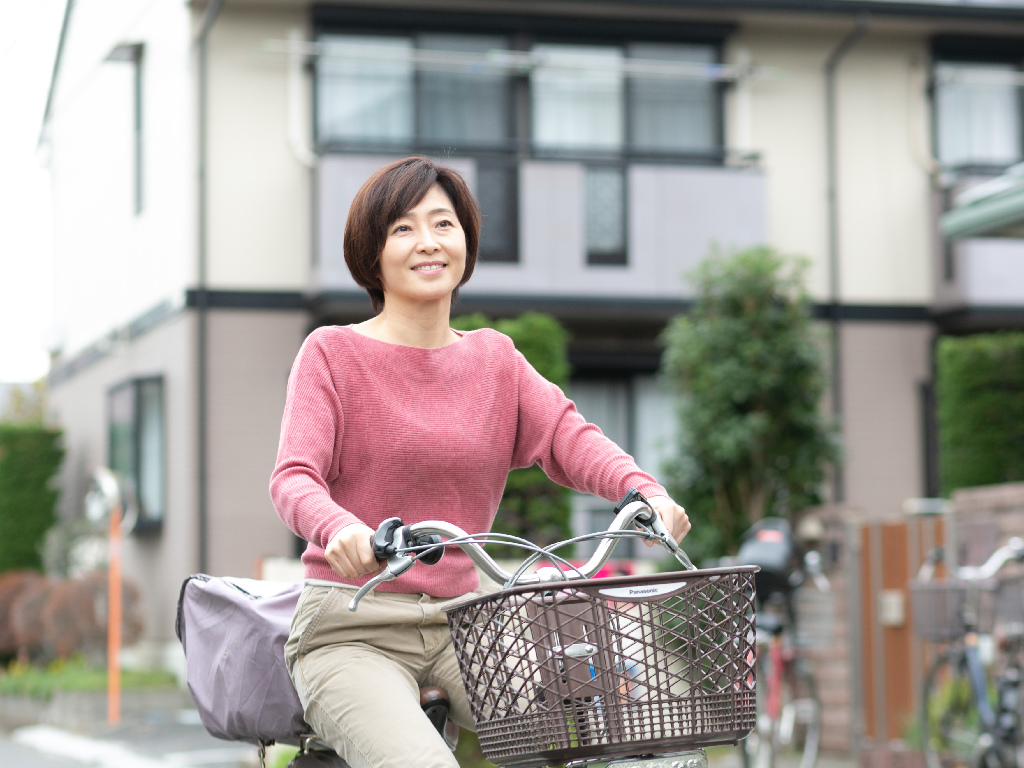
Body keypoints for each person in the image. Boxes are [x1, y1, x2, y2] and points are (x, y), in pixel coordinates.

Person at [269, 156, 690, 768]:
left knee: (584, 744)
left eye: (444, 224)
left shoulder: (495, 358)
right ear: (372, 252)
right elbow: (294, 477)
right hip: (352, 626)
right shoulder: (330, 353)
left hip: (469, 628)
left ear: (465, 241)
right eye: (403, 229)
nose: (428, 243)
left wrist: (642, 491)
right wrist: (341, 529)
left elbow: (568, 434)